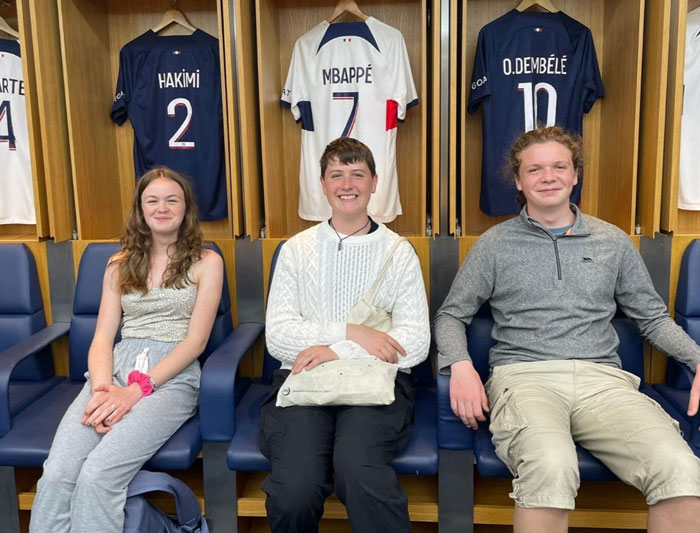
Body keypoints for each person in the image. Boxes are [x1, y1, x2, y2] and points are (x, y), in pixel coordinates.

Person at [434, 126, 700, 533]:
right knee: (550, 466)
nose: (548, 176)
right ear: (519, 181)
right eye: (534, 169)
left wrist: (697, 360)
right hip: (525, 378)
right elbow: (451, 316)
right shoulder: (495, 244)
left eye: (559, 167)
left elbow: (652, 318)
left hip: (604, 382)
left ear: (575, 174)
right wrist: (461, 366)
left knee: (680, 468)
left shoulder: (612, 241)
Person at [30, 167, 224, 533]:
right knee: (57, 473)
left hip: (171, 377)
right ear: (140, 208)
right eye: (153, 200)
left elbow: (195, 342)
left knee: (97, 475)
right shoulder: (118, 264)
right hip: (114, 370)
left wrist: (135, 391)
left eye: (172, 200)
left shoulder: (207, 262)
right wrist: (102, 388)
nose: (162, 208)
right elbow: (103, 338)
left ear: (186, 208)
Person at [262, 137, 430, 533]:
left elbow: (416, 342)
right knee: (295, 487)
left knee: (360, 471)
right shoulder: (296, 250)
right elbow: (279, 337)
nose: (347, 184)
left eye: (357, 174)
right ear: (323, 184)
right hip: (304, 381)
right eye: (337, 175)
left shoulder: (398, 252)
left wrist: (337, 351)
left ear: (375, 182)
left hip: (377, 384)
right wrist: (352, 333)